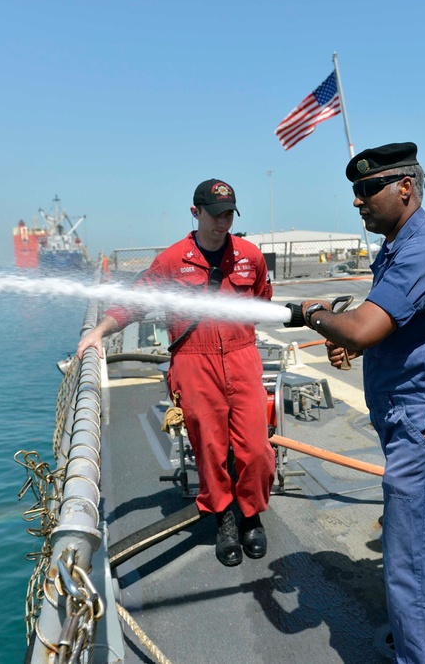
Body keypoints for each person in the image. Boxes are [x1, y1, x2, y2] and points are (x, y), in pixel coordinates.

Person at [295, 143, 425, 663]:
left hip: (424, 424)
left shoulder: (422, 250)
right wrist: (353, 333)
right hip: (424, 418)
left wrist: (316, 312)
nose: (358, 201)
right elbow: (394, 324)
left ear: (405, 188)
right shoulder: (399, 246)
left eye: (368, 190)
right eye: (355, 192)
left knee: (412, 562)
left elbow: (365, 328)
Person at [77, 179, 275, 568]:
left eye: (230, 215)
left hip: (241, 357)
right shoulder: (171, 261)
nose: (224, 223)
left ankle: (252, 513)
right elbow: (136, 303)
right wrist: (98, 333)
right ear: (195, 212)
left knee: (256, 449)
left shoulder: (250, 255)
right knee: (210, 448)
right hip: (194, 362)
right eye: (216, 215)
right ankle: (226, 519)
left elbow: (263, 299)